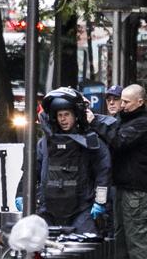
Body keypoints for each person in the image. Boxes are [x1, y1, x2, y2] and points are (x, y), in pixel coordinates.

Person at [86, 84, 147, 259]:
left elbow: (119, 140)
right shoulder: (125, 120)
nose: (121, 104)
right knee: (121, 239)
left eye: (126, 101)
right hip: (122, 187)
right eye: (121, 100)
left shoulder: (143, 123)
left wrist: (94, 121)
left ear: (139, 102)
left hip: (135, 190)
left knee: (136, 239)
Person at [35, 87, 111, 234]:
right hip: (49, 210)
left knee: (85, 252)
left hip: (81, 209)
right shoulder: (44, 143)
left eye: (67, 114)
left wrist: (100, 201)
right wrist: (21, 194)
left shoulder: (90, 142)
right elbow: (31, 171)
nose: (63, 119)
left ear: (76, 115)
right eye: (59, 115)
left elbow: (103, 173)